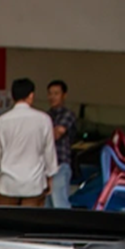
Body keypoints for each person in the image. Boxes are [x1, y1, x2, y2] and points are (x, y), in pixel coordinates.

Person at [0, 78, 58, 207]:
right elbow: (49, 151)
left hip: (7, 184)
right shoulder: (43, 120)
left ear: (12, 96)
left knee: (8, 224)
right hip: (34, 184)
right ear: (31, 96)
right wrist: (50, 177)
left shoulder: (0, 122)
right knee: (31, 225)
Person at [46, 80, 78, 209]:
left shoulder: (68, 114)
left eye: (56, 93)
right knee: (46, 206)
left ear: (64, 95)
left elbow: (57, 134)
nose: (52, 97)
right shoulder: (46, 115)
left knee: (60, 204)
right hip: (46, 167)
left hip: (60, 164)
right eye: (50, 93)